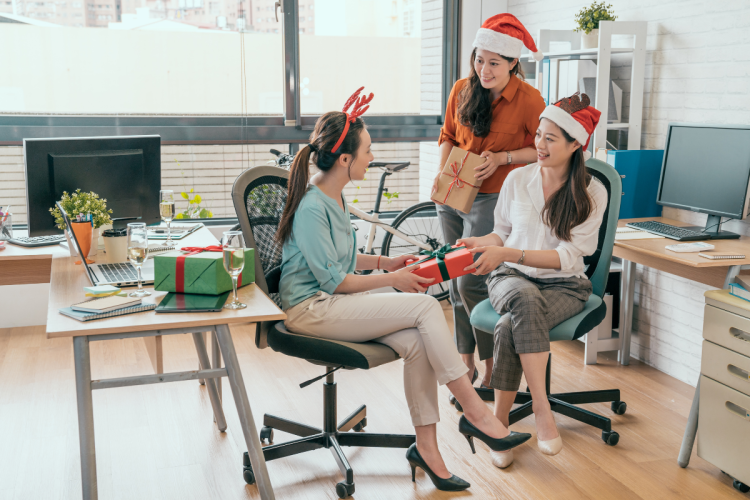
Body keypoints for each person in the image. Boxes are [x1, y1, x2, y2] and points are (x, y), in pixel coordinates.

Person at [278, 87, 531, 492]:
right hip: (312, 310)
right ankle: (475, 413)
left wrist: (385, 263)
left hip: (331, 301)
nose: (371, 157)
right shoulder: (313, 207)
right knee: (425, 309)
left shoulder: (333, 196)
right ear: (345, 159)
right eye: (367, 152)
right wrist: (394, 280)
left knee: (416, 342)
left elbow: (340, 258)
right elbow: (335, 280)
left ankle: (427, 449)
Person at [458, 92, 606, 469]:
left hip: (565, 286)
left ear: (575, 144)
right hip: (510, 278)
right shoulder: (517, 179)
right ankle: (542, 409)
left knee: (510, 324)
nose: (538, 144)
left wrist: (507, 252)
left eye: (550, 138)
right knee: (523, 300)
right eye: (538, 135)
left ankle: (501, 423)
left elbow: (569, 258)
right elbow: (502, 234)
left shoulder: (591, 192)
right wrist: (483, 242)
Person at [433, 13, 546, 388]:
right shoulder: (461, 89)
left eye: (494, 63)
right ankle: (463, 365)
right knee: (452, 278)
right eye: (479, 60)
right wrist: (443, 173)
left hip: (494, 196)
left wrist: (503, 158)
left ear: (514, 63)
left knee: (472, 280)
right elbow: (448, 135)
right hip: (453, 193)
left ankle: (491, 365)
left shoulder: (530, 101)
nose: (484, 69)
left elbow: (543, 150)